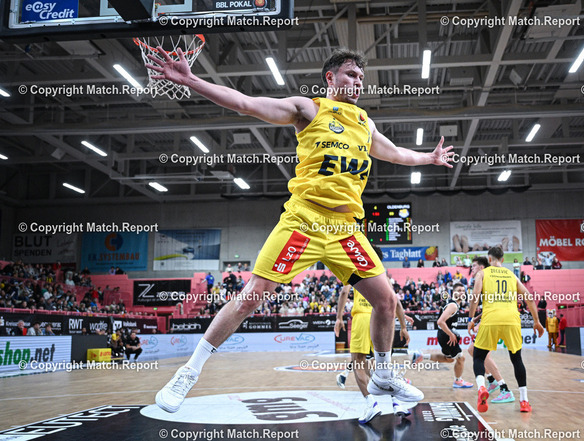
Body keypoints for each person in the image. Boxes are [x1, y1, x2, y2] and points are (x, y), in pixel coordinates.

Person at [151, 48, 453, 412]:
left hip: (345, 229)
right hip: (304, 220)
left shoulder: (364, 123)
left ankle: (384, 375)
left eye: (361, 77)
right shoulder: (308, 109)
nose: (358, 82)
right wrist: (191, 80)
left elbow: (395, 153)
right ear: (330, 78)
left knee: (386, 301)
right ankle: (189, 371)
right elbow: (246, 103)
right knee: (252, 296)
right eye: (351, 75)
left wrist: (429, 158)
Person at [334, 247, 414, 423]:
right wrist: (403, 326)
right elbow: (395, 301)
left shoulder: (355, 268)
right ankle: (397, 403)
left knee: (358, 361)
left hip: (362, 317)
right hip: (380, 319)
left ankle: (371, 404)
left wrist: (339, 317)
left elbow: (344, 292)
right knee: (383, 364)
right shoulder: (382, 275)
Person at [467, 246, 544, 413]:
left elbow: (475, 296)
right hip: (511, 320)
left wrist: (470, 319)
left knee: (478, 356)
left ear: (489, 259)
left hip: (491, 319)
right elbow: (529, 298)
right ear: (502, 259)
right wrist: (536, 321)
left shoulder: (483, 273)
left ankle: (482, 387)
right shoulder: (512, 275)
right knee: (517, 359)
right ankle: (524, 401)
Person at [466, 256, 515, 404]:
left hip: (495, 322)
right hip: (495, 319)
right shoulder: (488, 277)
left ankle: (504, 388)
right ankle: (492, 380)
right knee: (472, 350)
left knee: (482, 355)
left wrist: (472, 319)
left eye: (474, 266)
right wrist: (477, 318)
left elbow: (482, 301)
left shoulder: (485, 277)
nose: (472, 269)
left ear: (481, 267)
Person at [411, 283, 474, 389]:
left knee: (449, 359)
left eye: (463, 291)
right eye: (459, 290)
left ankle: (421, 356)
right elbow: (440, 322)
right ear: (454, 292)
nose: (462, 293)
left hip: (444, 335)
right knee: (461, 358)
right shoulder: (453, 305)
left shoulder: (453, 304)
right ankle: (458, 381)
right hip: (447, 336)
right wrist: (451, 334)